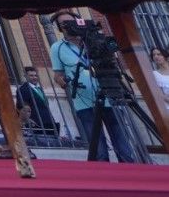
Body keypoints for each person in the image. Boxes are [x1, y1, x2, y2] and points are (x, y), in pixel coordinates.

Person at [49, 11, 140, 162]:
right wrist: (61, 81)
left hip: (110, 97)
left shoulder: (94, 41)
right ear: (59, 28)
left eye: (70, 22)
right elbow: (57, 74)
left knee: (123, 146)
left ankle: (129, 170)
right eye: (63, 24)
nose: (67, 27)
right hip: (83, 101)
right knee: (98, 149)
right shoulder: (57, 48)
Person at [14, 64, 59, 139]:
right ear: (25, 76)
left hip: (49, 123)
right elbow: (22, 107)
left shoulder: (39, 89)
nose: (34, 77)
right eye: (31, 75)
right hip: (36, 124)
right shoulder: (23, 89)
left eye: (36, 75)